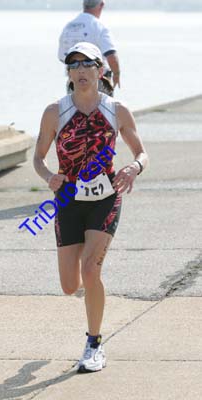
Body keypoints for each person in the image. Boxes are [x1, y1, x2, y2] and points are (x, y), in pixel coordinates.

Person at [33, 42, 148, 373]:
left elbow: (142, 152)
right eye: (74, 65)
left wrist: (133, 168)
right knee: (70, 285)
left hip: (106, 197)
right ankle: (89, 287)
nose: (80, 70)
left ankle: (94, 343)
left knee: (90, 269)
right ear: (68, 73)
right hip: (68, 199)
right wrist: (48, 177)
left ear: (101, 71)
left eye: (87, 64)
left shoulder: (117, 110)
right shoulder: (55, 112)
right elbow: (38, 158)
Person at [58, 0, 120, 96]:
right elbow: (111, 55)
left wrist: (76, 65)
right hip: (97, 82)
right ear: (102, 5)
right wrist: (116, 75)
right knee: (104, 110)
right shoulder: (99, 26)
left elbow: (62, 57)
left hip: (74, 82)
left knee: (73, 109)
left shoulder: (68, 26)